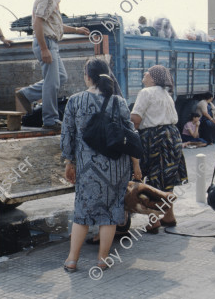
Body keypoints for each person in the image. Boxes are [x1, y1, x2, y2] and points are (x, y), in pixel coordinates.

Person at [60, 58, 137, 272]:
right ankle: (102, 260)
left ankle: (72, 260)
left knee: (83, 212)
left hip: (88, 168)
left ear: (87, 76)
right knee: (111, 213)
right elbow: (129, 133)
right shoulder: (118, 101)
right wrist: (136, 165)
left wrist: (69, 162)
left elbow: (67, 135)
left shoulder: (75, 101)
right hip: (116, 166)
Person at [16, 0, 90, 130]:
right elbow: (37, 23)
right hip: (47, 43)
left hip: (50, 43)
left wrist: (77, 30)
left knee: (60, 77)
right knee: (52, 82)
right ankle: (50, 120)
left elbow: (54, 25)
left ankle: (27, 94)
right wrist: (44, 49)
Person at [131, 65, 188, 232]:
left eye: (147, 72)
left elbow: (135, 119)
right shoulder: (166, 94)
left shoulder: (146, 92)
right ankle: (169, 217)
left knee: (155, 180)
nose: (144, 73)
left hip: (155, 137)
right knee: (166, 177)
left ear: (154, 78)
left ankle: (154, 221)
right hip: (172, 136)